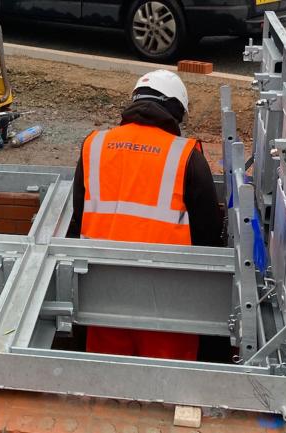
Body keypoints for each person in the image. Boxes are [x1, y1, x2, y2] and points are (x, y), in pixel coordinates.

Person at [67, 69, 223, 361]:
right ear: (176, 111)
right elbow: (209, 236)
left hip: (101, 293)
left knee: (106, 382)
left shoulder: (94, 145)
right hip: (169, 300)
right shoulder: (187, 156)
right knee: (168, 388)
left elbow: (78, 219)